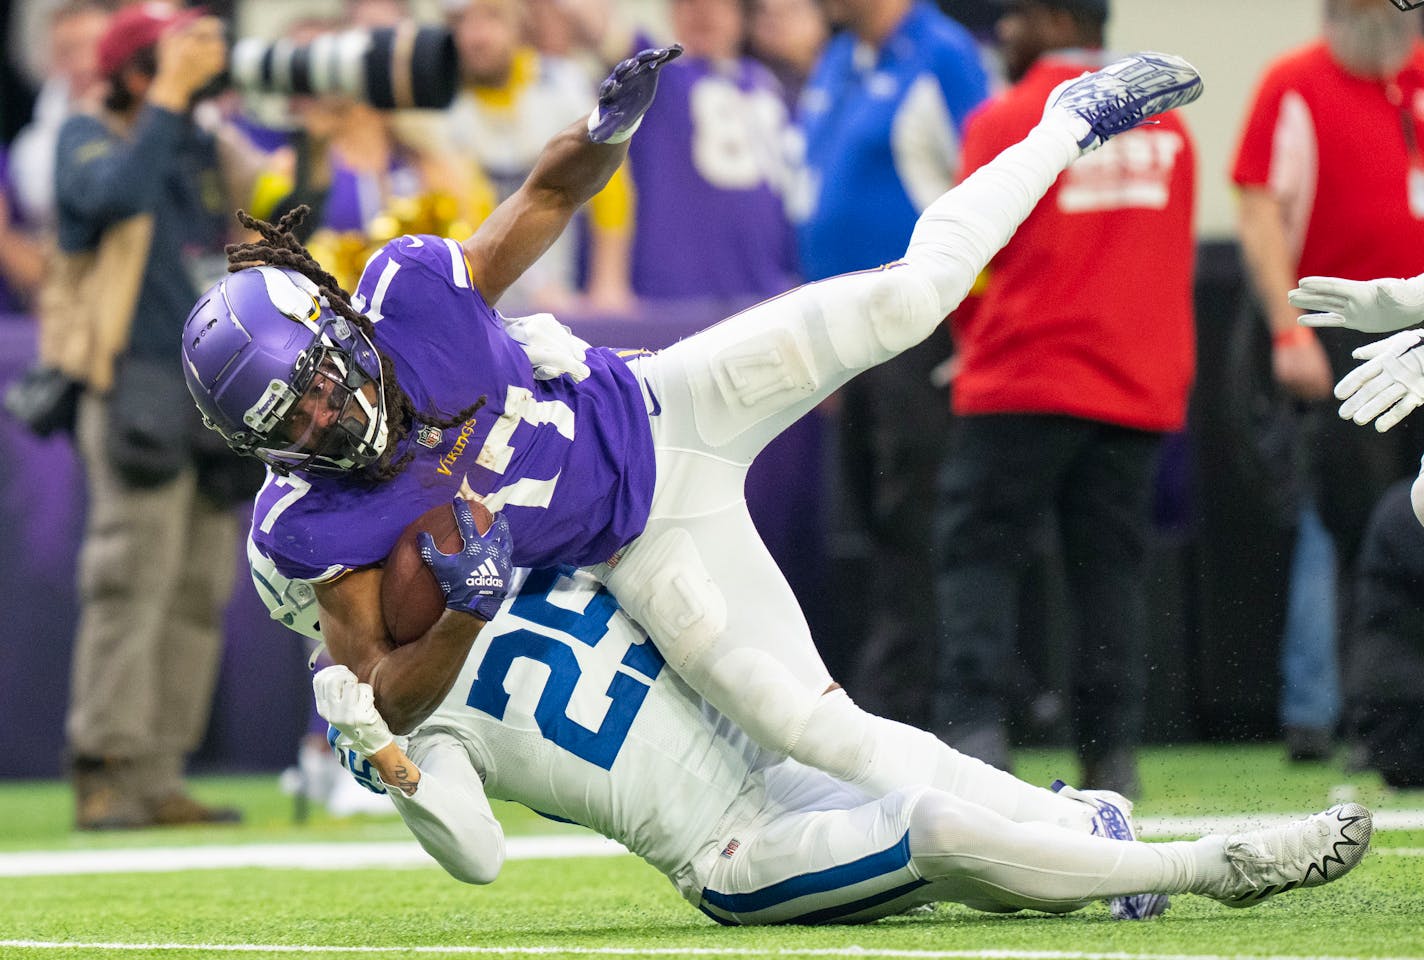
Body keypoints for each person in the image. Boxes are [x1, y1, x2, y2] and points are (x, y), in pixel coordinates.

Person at [181, 48, 1205, 884]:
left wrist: (602, 136)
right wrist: (463, 613)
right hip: (649, 540)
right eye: (290, 423)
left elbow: (541, 195)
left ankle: (1071, 119)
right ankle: (1080, 829)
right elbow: (379, 701)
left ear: (333, 326)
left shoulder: (413, 291)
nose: (320, 419)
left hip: (667, 401)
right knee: (822, 730)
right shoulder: (312, 522)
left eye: (312, 386)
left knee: (908, 295)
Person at [267, 554, 1375, 923]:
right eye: (344, 586)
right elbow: (478, 853)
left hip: (780, 754)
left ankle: (1104, 841)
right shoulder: (414, 710)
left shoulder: (509, 555)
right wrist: (388, 759)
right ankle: (1204, 865)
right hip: (734, 852)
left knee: (906, 758)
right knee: (935, 823)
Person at [932, 0, 1196, 797]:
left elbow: (969, 254)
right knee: (1108, 574)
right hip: (1135, 386)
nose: (1002, 34)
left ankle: (976, 733)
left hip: (1023, 378)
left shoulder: (1003, 118)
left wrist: (970, 339)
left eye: (1012, 18)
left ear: (1051, 19)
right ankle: (1110, 752)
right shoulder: (1170, 132)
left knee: (977, 556)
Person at [55, 3, 292, 829]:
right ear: (134, 72)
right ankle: (106, 767)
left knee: (197, 585)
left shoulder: (197, 141)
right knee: (131, 577)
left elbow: (277, 213)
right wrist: (169, 99)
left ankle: (158, 773)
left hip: (205, 389)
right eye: (170, 57)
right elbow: (107, 197)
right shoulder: (86, 131)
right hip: (131, 381)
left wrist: (319, 138)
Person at [1232, 0, 1424, 762]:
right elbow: (1258, 208)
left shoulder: (1412, 75)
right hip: (1338, 326)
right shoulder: (1295, 81)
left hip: (1416, 319)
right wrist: (1287, 329)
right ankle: (1326, 710)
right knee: (1341, 520)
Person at [792, 0, 988, 728]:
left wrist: (972, 323)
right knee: (872, 518)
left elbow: (990, 178)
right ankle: (896, 690)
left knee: (917, 511)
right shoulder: (841, 59)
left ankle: (918, 700)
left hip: (919, 328)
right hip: (848, 336)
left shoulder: (942, 53)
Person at [440, 0, 634, 314]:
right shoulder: (441, 103)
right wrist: (536, 285)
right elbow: (470, 206)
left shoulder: (562, 83)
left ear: (520, 21)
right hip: (474, 303)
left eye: (492, 17)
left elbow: (610, 184)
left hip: (558, 305)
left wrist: (610, 282)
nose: (476, 37)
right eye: (462, 22)